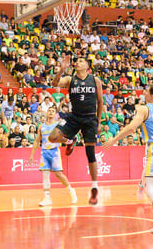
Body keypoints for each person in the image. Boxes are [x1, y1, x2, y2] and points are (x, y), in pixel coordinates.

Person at [104, 85, 153, 234]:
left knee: (150, 187)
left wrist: (114, 140)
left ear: (151, 95)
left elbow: (132, 128)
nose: (143, 93)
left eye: (146, 91)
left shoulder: (144, 109)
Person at [49, 57, 103, 205]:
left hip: (90, 118)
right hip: (74, 116)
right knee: (52, 137)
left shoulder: (95, 80)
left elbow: (100, 102)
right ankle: (70, 141)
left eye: (81, 61)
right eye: (77, 61)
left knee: (90, 154)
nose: (77, 62)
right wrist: (61, 70)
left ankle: (94, 188)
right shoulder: (69, 79)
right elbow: (54, 84)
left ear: (87, 66)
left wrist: (98, 121)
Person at [29, 106, 77, 206]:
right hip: (44, 152)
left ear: (55, 114)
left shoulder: (58, 125)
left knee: (58, 174)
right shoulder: (41, 126)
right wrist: (32, 155)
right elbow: (37, 140)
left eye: (53, 111)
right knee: (45, 174)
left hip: (54, 151)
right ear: (46, 113)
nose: (50, 112)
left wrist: (69, 141)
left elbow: (65, 137)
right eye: (49, 111)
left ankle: (71, 190)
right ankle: (47, 198)